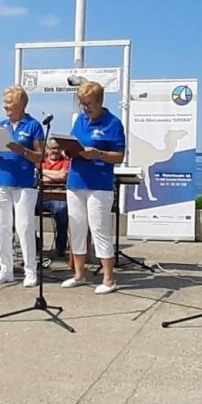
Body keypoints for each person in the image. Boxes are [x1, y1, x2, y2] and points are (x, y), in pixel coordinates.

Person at [61, 81, 126, 294]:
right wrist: (66, 151)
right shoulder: (80, 120)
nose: (86, 108)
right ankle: (79, 274)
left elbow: (119, 156)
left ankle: (108, 279)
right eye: (83, 104)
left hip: (99, 183)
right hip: (76, 180)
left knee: (99, 229)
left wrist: (97, 153)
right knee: (77, 228)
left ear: (100, 102)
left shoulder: (113, 123)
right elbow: (72, 142)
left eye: (89, 104)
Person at [0, 85, 45, 287]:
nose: (5, 106)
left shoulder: (33, 125)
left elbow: (40, 156)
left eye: (9, 102)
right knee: (0, 226)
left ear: (21, 104)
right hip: (1, 180)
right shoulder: (1, 125)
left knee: (24, 226)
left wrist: (21, 150)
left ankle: (30, 270)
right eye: (5, 102)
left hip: (25, 183)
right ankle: (5, 269)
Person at [40, 139, 70, 258]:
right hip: (40, 197)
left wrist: (43, 172)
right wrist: (55, 175)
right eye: (52, 148)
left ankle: (61, 247)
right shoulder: (40, 161)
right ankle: (35, 244)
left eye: (58, 148)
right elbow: (37, 177)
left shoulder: (66, 162)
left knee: (63, 210)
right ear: (47, 150)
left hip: (58, 198)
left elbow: (63, 176)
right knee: (22, 211)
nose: (55, 151)